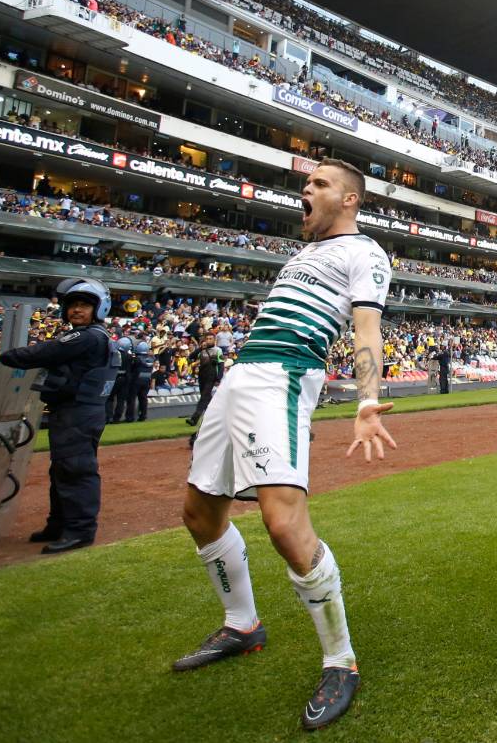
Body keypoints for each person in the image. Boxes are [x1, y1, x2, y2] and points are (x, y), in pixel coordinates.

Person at [173, 159, 395, 732]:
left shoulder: (364, 252)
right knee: (199, 513)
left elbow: (367, 328)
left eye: (320, 184)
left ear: (349, 200)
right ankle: (242, 624)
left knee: (283, 524)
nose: (306, 189)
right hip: (240, 376)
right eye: (307, 182)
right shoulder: (302, 255)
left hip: (285, 376)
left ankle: (340, 660)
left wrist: (366, 400)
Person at [0, 278, 119, 554]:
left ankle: (80, 530)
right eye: (73, 305)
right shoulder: (94, 336)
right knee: (63, 469)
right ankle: (59, 524)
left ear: (99, 309)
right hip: (76, 411)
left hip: (78, 412)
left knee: (75, 469)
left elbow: (46, 352)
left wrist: (4, 356)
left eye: (84, 305)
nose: (77, 310)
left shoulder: (89, 336)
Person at [186, 333, 223, 427]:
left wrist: (218, 378)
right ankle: (216, 417)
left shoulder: (218, 350)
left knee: (203, 398)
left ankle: (194, 419)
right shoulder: (202, 350)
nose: (209, 340)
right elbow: (190, 357)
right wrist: (200, 348)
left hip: (211, 376)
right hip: (202, 376)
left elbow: (221, 365)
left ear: (214, 340)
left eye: (211, 338)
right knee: (206, 397)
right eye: (207, 339)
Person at [107, 336, 134, 424]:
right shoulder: (129, 356)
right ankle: (117, 418)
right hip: (125, 379)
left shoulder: (114, 354)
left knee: (109, 398)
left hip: (114, 378)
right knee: (121, 400)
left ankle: (109, 417)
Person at [126, 341, 154, 421]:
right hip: (146, 380)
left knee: (132, 399)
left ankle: (130, 417)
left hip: (136, 380)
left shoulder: (136, 359)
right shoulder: (151, 359)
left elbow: (131, 369)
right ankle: (143, 416)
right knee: (143, 399)